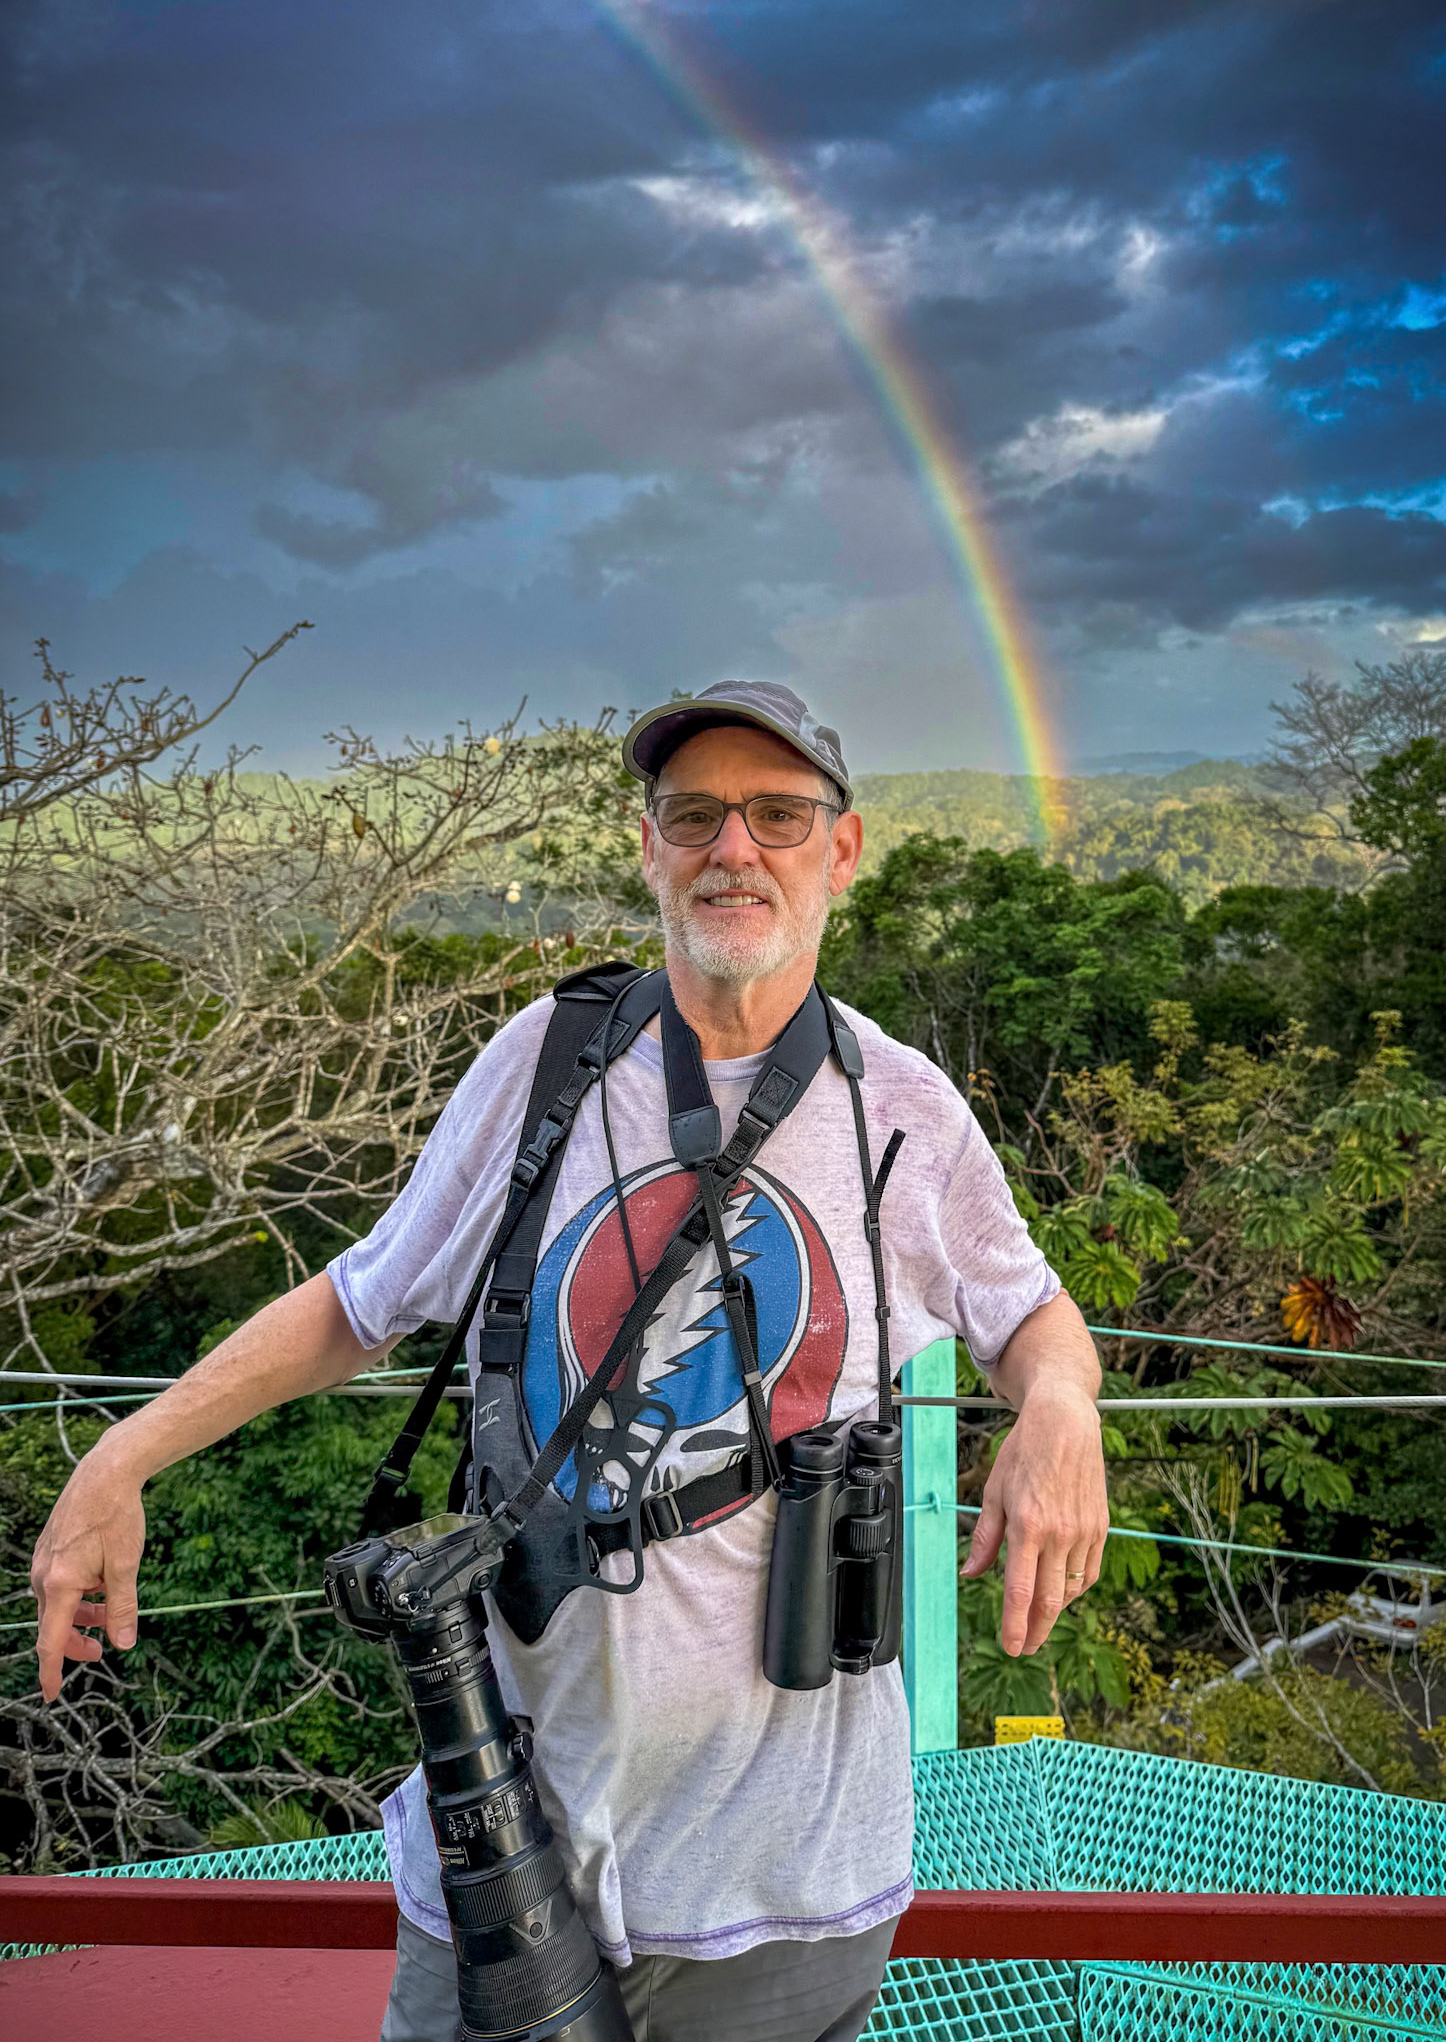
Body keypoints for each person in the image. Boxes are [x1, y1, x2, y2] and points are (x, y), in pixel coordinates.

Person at [30, 680, 1109, 2042]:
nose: (734, 850)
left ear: (840, 851)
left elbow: (1031, 1318)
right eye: (694, 816)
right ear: (645, 842)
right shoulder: (547, 1061)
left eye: (778, 817)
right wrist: (121, 1455)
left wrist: (1060, 1407)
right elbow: (362, 1300)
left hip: (784, 1873)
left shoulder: (897, 1109)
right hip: (506, 1838)